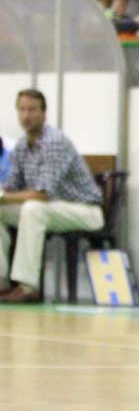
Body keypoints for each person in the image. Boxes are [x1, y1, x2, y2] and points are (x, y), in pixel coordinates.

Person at [0, 89, 103, 303]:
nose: (26, 116)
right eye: (22, 110)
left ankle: (27, 287)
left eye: (32, 110)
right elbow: (11, 188)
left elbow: (42, 194)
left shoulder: (54, 142)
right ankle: (2, 282)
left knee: (33, 209)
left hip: (86, 210)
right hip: (53, 209)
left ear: (44, 113)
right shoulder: (21, 146)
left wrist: (4, 197)